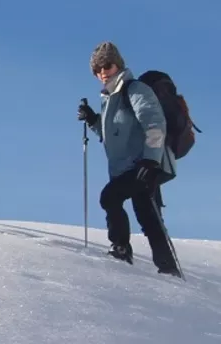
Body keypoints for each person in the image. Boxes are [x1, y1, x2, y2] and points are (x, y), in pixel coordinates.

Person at [77, 41, 181, 276]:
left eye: (107, 66)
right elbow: (112, 135)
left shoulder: (135, 90)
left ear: (118, 65)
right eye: (97, 69)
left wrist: (151, 160)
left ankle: (121, 248)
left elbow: (155, 123)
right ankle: (168, 267)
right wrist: (93, 119)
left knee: (110, 197)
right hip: (129, 167)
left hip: (142, 164)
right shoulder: (110, 98)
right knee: (147, 215)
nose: (103, 72)